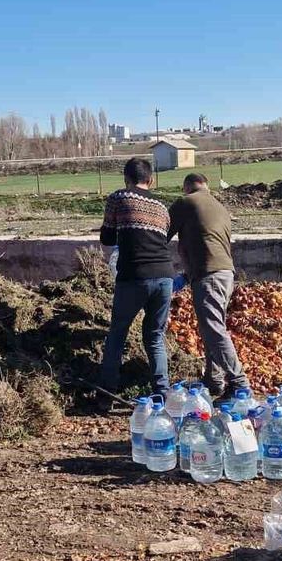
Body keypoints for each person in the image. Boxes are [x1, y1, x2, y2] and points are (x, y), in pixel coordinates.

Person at [168, 173, 249, 402]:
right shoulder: (219, 207)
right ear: (206, 186)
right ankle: (213, 380)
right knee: (210, 329)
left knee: (213, 330)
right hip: (225, 274)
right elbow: (210, 242)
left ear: (186, 187)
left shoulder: (186, 202)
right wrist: (187, 275)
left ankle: (239, 384)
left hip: (209, 276)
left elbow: (160, 234)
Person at [99, 158, 175, 397]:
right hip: (165, 276)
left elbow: (107, 239)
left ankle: (107, 393)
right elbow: (161, 239)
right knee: (154, 336)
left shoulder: (118, 198)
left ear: (126, 179)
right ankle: (162, 391)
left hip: (134, 276)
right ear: (150, 180)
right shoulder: (162, 207)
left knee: (117, 334)